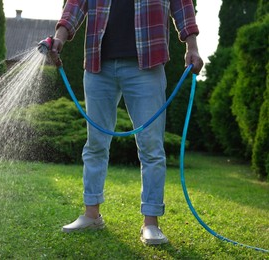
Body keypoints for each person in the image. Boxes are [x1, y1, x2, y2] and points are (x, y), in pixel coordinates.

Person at [49, 0, 203, 245]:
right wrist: (59, 37)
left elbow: (182, 5)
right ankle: (91, 214)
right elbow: (76, 4)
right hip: (99, 65)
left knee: (151, 147)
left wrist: (192, 47)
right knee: (96, 144)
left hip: (147, 64)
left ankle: (150, 223)